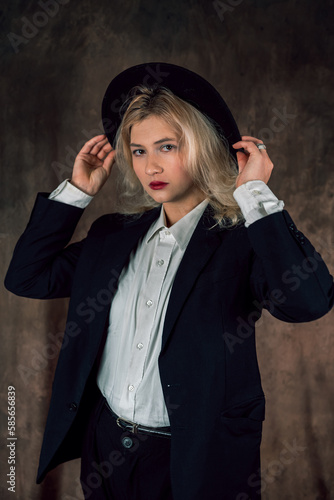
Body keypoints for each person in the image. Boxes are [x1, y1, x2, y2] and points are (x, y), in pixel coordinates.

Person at [5, 62, 333, 500]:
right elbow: (27, 277)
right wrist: (77, 192)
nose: (150, 165)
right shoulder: (111, 235)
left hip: (194, 458)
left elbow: (308, 302)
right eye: (138, 151)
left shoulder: (243, 242)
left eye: (167, 146)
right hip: (104, 448)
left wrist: (255, 194)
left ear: (202, 147)